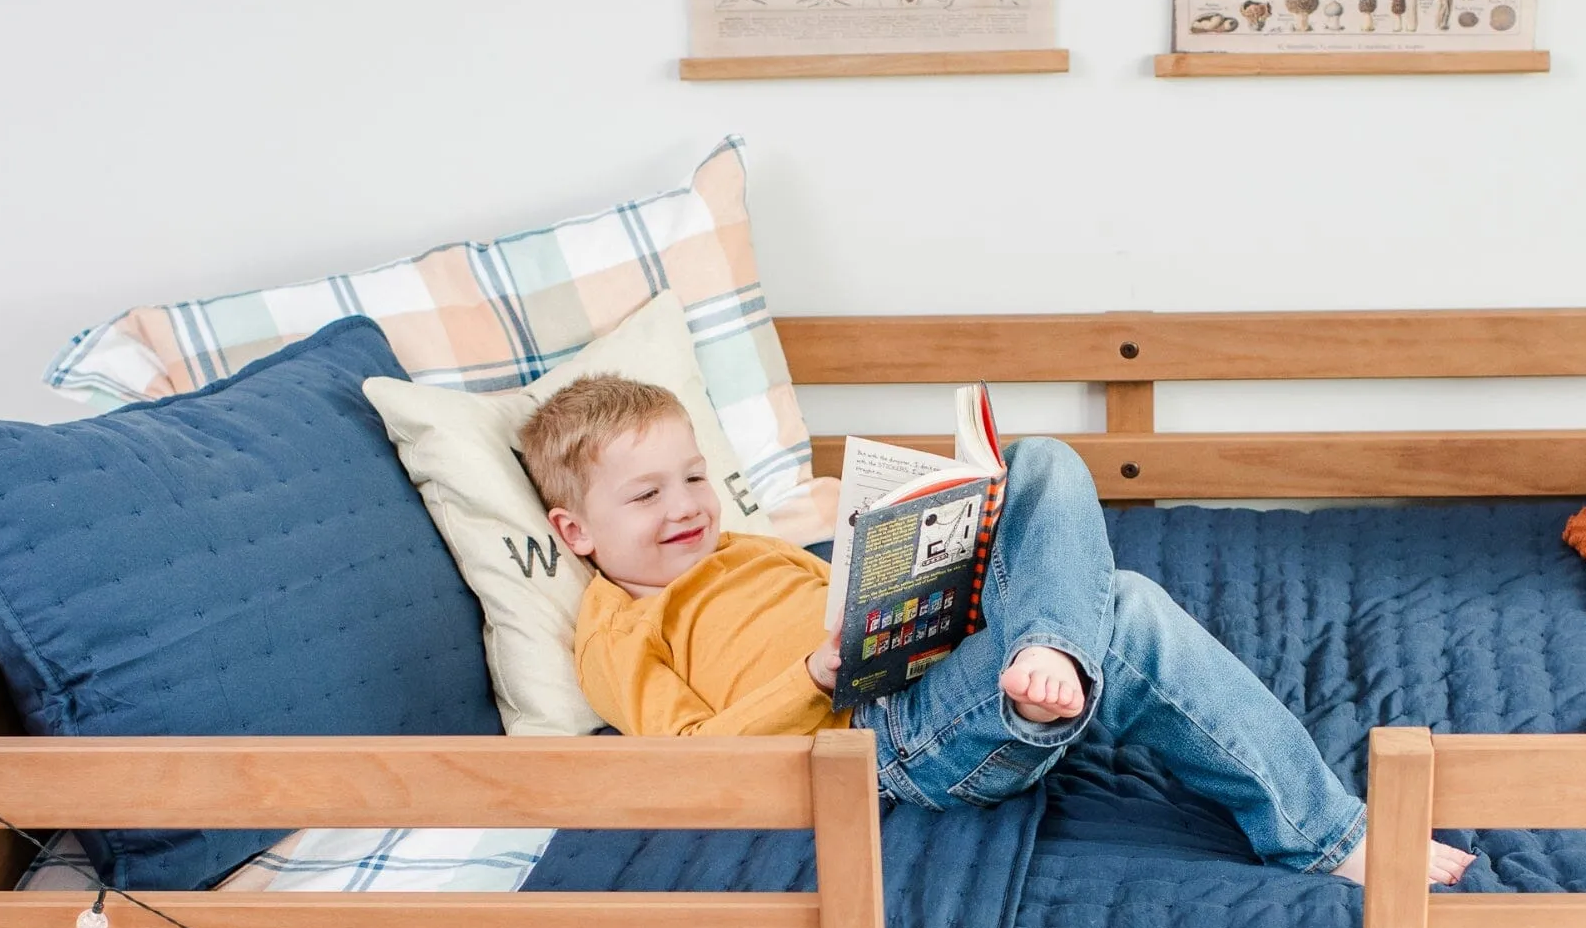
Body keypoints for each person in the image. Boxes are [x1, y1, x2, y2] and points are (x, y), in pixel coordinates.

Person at [519, 373, 1473, 884]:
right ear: (575, 531)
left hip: (923, 661)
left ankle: (1041, 646)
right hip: (876, 740)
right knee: (1129, 608)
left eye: (693, 478)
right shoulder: (616, 629)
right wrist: (813, 675)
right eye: (645, 495)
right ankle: (1329, 839)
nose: (684, 506)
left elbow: (837, 572)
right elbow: (683, 763)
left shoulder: (746, 551)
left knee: (1043, 459)